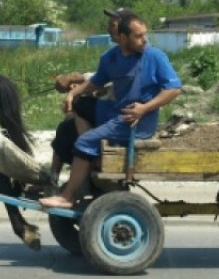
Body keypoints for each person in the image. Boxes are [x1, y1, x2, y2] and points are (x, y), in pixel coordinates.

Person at [40, 13, 183, 209]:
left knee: (83, 141)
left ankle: (68, 196)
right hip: (114, 112)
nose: (144, 40)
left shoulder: (155, 56)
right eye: (138, 36)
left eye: (144, 35)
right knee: (81, 104)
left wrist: (145, 108)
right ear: (123, 38)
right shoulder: (110, 58)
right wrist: (72, 95)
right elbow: (96, 81)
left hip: (134, 120)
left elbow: (174, 88)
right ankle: (91, 149)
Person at [47, 8, 134, 185]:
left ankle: (92, 154)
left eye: (113, 25)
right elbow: (100, 79)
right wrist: (78, 86)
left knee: (77, 107)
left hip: (120, 116)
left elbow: (103, 79)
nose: (109, 28)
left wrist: (74, 81)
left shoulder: (132, 54)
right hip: (111, 111)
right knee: (65, 129)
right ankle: (52, 179)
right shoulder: (115, 53)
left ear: (125, 29)